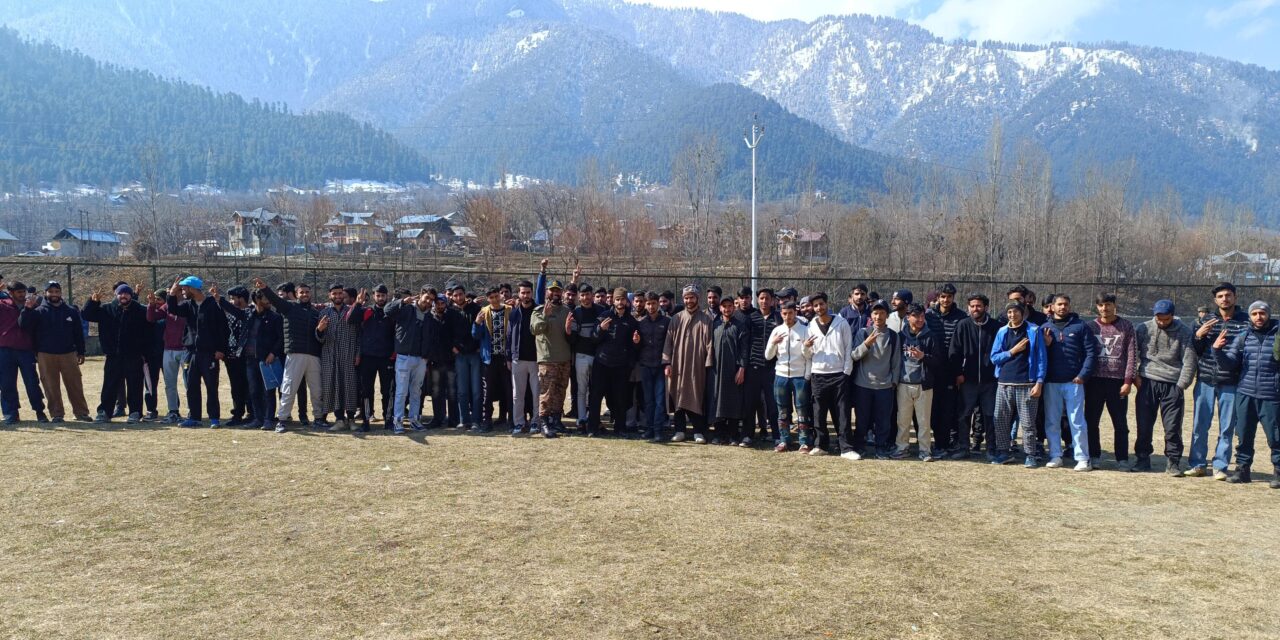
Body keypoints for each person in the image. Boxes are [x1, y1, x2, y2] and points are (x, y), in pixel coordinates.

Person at [1214, 301, 1280, 486]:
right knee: (1243, 435)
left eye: (1262, 313)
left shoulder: (1278, 335)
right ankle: (1242, 471)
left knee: (1276, 437)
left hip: (1271, 395)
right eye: (1255, 314)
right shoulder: (1244, 337)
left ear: (1268, 314)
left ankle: (1278, 472)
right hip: (1245, 394)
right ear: (1250, 316)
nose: (1259, 317)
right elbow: (1229, 363)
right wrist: (1217, 350)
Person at [1190, 282, 1249, 479]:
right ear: (1215, 300)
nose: (1225, 299)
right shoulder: (1206, 321)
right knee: (1200, 425)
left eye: (1228, 295)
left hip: (1231, 382)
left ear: (1235, 297)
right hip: (1206, 379)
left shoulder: (1245, 322)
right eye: (1221, 296)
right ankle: (1198, 464)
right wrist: (1198, 336)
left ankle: (1220, 466)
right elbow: (1195, 351)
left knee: (1227, 427)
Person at [1133, 300, 1198, 475]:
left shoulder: (1184, 331)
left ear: (1172, 315)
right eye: (1158, 318)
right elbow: (1132, 352)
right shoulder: (1143, 328)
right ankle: (1142, 458)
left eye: (1166, 319)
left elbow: (1189, 360)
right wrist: (1135, 376)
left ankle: (1173, 462)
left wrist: (1181, 385)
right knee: (1144, 424)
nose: (1161, 322)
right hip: (1147, 381)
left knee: (1172, 426)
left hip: (1172, 383)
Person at [256, 278, 324, 433]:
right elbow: (274, 300)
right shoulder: (289, 307)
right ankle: (282, 420)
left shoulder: (315, 312)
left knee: (316, 389)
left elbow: (319, 334)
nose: (305, 294)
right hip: (295, 354)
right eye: (302, 292)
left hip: (313, 355)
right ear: (296, 294)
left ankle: (318, 419)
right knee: (289, 388)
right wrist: (265, 288)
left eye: (307, 292)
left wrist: (321, 329)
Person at [1040, 294, 1098, 471]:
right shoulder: (1044, 328)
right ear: (1052, 306)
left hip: (1074, 382)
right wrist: (1046, 346)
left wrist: (1083, 375)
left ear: (1070, 306)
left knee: (1077, 421)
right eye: (1059, 304)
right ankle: (1055, 455)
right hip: (1052, 382)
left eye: (1065, 304)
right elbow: (1039, 356)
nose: (1062, 307)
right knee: (1052, 421)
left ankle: (1082, 458)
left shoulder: (1081, 326)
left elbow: (1091, 353)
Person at [18, 281, 89, 423]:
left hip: (68, 353)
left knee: (75, 384)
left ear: (61, 293)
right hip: (45, 354)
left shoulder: (71, 311)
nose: (54, 294)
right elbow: (23, 325)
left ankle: (81, 413)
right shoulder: (38, 311)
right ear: (45, 293)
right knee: (51, 386)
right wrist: (27, 309)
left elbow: (78, 333)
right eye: (51, 292)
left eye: (57, 291)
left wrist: (81, 351)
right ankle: (57, 414)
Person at [166, 277, 229, 428]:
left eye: (184, 289)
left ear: (193, 289)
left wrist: (221, 349)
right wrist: (172, 294)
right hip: (191, 352)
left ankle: (214, 417)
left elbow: (224, 329)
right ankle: (194, 417)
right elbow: (173, 309)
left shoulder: (213, 305)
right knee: (192, 385)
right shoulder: (188, 305)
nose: (183, 292)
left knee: (211, 386)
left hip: (209, 353)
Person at [1085, 293, 1138, 470]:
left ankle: (1122, 458)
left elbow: (1131, 355)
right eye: (1100, 305)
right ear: (1097, 307)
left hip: (1117, 382)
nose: (1104, 308)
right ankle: (1094, 456)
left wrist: (1128, 381)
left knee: (1120, 423)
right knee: (1091, 421)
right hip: (1094, 381)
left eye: (1108, 304)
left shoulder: (1126, 326)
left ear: (1114, 305)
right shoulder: (1090, 326)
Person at [83, 283, 150, 423]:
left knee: (135, 385)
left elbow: (149, 328)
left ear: (131, 295)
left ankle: (135, 412)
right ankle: (104, 412)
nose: (123, 296)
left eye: (126, 293)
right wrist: (92, 302)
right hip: (113, 355)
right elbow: (87, 314)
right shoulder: (106, 309)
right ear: (116, 295)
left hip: (134, 355)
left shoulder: (140, 310)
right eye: (120, 293)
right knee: (109, 385)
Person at [990, 301, 1047, 467]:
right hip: (1004, 383)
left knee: (1028, 423)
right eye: (1009, 312)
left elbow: (1042, 359)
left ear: (1023, 313)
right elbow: (994, 357)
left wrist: (1039, 382)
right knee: (1000, 420)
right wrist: (1013, 351)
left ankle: (1030, 454)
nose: (1012, 315)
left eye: (1016, 312)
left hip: (1027, 384)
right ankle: (1003, 452)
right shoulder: (1002, 332)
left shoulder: (1034, 331)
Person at [949, 293, 1000, 459]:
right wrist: (957, 373)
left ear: (986, 307)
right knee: (964, 414)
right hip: (967, 380)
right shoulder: (963, 325)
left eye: (978, 306)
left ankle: (991, 448)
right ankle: (964, 448)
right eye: (972, 306)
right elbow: (954, 351)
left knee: (990, 415)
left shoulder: (995, 327)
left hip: (990, 380)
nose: (975, 309)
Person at [586, 287, 640, 438]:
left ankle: (620, 428)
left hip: (621, 366)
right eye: (617, 299)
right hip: (602, 363)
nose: (620, 302)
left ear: (626, 301)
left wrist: (636, 342)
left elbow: (634, 347)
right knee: (595, 397)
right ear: (613, 301)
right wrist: (600, 329)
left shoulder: (631, 321)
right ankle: (592, 427)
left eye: (622, 299)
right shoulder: (604, 316)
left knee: (620, 397)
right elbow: (594, 339)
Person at [663, 285, 714, 443]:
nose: (689, 300)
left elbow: (710, 344)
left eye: (692, 297)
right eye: (686, 298)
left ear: (697, 299)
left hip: (697, 366)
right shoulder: (676, 318)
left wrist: (708, 364)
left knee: (696, 395)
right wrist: (667, 362)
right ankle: (680, 430)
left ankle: (698, 431)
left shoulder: (706, 319)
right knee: (677, 394)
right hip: (677, 364)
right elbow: (668, 342)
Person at [851, 300, 902, 459]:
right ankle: (860, 446)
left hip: (884, 386)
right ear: (871, 315)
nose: (878, 316)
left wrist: (893, 381)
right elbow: (854, 356)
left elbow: (896, 361)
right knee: (862, 419)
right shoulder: (863, 333)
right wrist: (866, 344)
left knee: (883, 421)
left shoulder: (893, 336)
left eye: (881, 313)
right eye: (875, 313)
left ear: (887, 315)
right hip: (863, 385)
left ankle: (881, 447)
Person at [897, 303, 945, 461]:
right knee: (903, 420)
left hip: (923, 385)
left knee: (924, 421)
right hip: (903, 383)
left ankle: (925, 451)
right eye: (916, 316)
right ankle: (902, 448)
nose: (920, 319)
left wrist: (923, 356)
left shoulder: (930, 336)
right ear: (908, 317)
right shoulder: (901, 335)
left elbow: (938, 361)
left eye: (922, 316)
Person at [806, 292, 852, 457]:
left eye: (821, 304)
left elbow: (848, 348)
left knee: (842, 413)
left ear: (827, 304)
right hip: (818, 374)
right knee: (819, 412)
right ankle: (821, 445)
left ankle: (846, 447)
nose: (819, 308)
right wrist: (806, 346)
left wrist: (846, 371)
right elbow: (808, 353)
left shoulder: (841, 323)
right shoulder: (811, 326)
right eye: (816, 305)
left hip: (839, 373)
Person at [766, 301, 812, 452]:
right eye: (784, 314)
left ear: (795, 313)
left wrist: (806, 376)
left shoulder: (805, 330)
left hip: (800, 377)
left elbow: (809, 356)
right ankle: (784, 440)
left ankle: (804, 441)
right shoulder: (777, 331)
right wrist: (773, 343)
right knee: (783, 409)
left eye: (790, 313)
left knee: (802, 409)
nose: (787, 317)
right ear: (781, 314)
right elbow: (768, 356)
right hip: (781, 376)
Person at [925, 283, 965, 457]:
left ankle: (943, 444)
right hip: (931, 370)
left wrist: (959, 372)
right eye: (943, 296)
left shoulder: (961, 317)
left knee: (947, 410)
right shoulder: (928, 316)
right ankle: (934, 442)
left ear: (953, 297)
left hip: (951, 371)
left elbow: (962, 346)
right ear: (938, 297)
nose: (946, 299)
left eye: (949, 296)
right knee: (931, 410)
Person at [385, 287, 432, 434]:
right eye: (426, 298)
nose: (428, 301)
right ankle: (398, 421)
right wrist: (401, 302)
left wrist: (426, 356)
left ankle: (414, 420)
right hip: (404, 356)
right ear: (420, 296)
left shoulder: (430, 315)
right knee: (401, 391)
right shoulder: (406, 309)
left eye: (431, 299)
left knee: (416, 391)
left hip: (421, 359)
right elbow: (387, 310)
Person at [316, 284, 362, 432]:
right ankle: (339, 419)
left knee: (349, 387)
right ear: (330, 295)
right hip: (330, 356)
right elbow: (319, 339)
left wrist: (358, 353)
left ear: (344, 295)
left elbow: (359, 335)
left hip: (348, 355)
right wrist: (320, 330)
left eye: (340, 293)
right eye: (334, 293)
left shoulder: (352, 312)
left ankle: (351, 419)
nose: (337, 296)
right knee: (333, 388)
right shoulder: (324, 313)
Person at [530, 278, 572, 438]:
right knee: (547, 393)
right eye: (552, 290)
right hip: (548, 359)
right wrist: (545, 316)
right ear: (547, 292)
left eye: (558, 290)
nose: (555, 293)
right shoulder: (539, 310)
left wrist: (569, 331)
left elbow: (570, 335)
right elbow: (535, 330)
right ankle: (544, 423)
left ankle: (556, 421)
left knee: (560, 392)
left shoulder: (566, 311)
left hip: (564, 358)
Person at [0, 281, 47, 423]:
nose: (22, 295)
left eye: (23, 292)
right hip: (5, 349)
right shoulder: (2, 305)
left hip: (25, 349)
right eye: (19, 292)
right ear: (11, 292)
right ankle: (11, 413)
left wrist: (28, 309)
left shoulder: (33, 307)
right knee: (7, 384)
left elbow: (31, 326)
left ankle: (39, 411)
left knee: (32, 382)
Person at [238, 289, 283, 430]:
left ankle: (269, 419)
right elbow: (234, 311)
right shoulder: (248, 315)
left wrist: (273, 353)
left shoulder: (275, 317)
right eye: (265, 298)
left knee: (268, 391)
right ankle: (258, 418)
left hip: (266, 360)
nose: (268, 300)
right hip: (250, 360)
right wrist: (218, 299)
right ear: (257, 300)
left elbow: (281, 339)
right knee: (254, 390)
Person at [708, 296, 749, 445]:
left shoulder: (740, 325)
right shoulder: (715, 324)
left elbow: (744, 349)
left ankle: (733, 435)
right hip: (716, 371)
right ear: (720, 308)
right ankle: (719, 434)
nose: (727, 309)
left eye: (729, 306)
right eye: (724, 306)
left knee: (733, 402)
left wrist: (742, 369)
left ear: (734, 307)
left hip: (733, 370)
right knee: (717, 401)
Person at [353, 285, 395, 430]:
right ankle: (366, 420)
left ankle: (388, 420)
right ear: (373, 296)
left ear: (387, 296)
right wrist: (358, 303)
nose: (381, 298)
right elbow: (350, 319)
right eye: (378, 295)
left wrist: (393, 354)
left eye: (383, 295)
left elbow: (397, 334)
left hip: (386, 358)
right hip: (367, 358)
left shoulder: (391, 313)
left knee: (387, 391)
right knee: (366, 391)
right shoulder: (367, 311)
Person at [145, 287, 188, 423]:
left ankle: (193, 411)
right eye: (171, 290)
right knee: (170, 383)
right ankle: (173, 411)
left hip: (186, 350)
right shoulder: (167, 306)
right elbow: (152, 318)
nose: (172, 292)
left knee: (189, 382)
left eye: (175, 290)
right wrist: (151, 305)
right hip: (168, 350)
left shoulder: (190, 305)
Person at [473, 286, 512, 432]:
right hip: (489, 359)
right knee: (487, 392)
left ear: (500, 296)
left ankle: (511, 420)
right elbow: (476, 336)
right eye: (492, 297)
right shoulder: (483, 312)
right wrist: (477, 323)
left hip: (505, 358)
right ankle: (487, 421)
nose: (495, 299)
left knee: (508, 390)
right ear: (488, 299)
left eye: (497, 296)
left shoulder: (509, 310)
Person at [508, 277, 543, 436]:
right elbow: (509, 336)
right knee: (517, 395)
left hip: (536, 359)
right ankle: (519, 423)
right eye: (523, 293)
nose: (526, 295)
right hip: (517, 359)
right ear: (519, 294)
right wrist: (509, 357)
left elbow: (541, 291)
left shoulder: (539, 310)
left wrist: (542, 272)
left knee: (536, 393)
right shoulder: (514, 313)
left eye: (528, 292)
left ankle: (536, 422)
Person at [214, 285, 252, 426]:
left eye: (233, 298)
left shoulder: (250, 312)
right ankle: (237, 413)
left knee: (249, 386)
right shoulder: (229, 314)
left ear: (241, 299)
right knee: (236, 386)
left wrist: (220, 300)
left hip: (246, 356)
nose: (231, 301)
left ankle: (251, 413)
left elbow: (238, 313)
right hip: (231, 356)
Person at [448, 282, 483, 431]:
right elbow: (445, 333)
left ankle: (476, 420)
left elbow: (483, 330)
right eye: (455, 295)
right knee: (462, 390)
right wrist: (453, 348)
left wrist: (480, 347)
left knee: (476, 390)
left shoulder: (476, 309)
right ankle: (464, 420)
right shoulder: (450, 312)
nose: (458, 297)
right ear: (452, 297)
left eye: (460, 294)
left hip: (475, 354)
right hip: (460, 355)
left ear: (465, 294)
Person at [568, 283, 603, 430]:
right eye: (582, 295)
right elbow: (573, 338)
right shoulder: (576, 313)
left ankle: (594, 418)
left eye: (588, 294)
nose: (585, 298)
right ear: (579, 297)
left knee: (596, 390)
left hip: (598, 355)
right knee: (581, 389)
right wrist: (568, 330)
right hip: (581, 355)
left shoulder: (601, 311)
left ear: (592, 294)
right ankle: (581, 419)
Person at [637, 292, 670, 442]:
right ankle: (649, 429)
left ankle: (658, 430)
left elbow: (671, 344)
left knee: (659, 400)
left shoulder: (667, 321)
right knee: (648, 400)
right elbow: (636, 346)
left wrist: (668, 363)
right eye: (648, 304)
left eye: (653, 303)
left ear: (658, 304)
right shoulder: (641, 323)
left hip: (660, 367)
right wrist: (635, 342)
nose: (651, 307)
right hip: (645, 366)